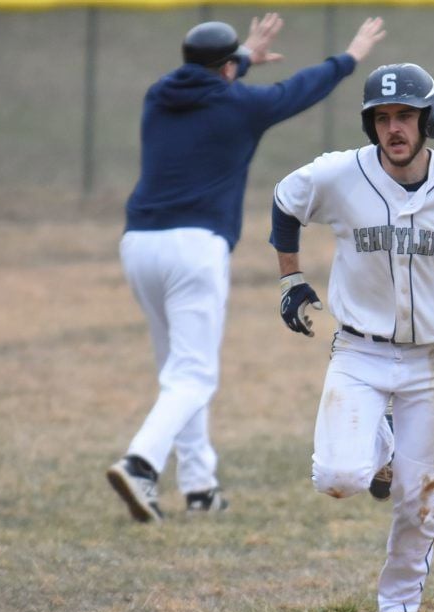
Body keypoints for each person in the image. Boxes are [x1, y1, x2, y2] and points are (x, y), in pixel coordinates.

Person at [269, 62, 434, 612]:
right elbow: (284, 202)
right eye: (382, 118)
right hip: (359, 352)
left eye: (404, 116)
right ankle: (379, 447)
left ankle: (401, 606)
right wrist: (290, 278)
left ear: (429, 120)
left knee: (417, 495)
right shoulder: (339, 175)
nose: (393, 129)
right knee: (337, 477)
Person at [106, 13, 387, 523]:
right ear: (227, 71)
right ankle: (141, 464)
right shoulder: (240, 106)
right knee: (193, 375)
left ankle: (199, 487)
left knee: (179, 372)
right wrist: (349, 58)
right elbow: (299, 89)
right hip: (194, 248)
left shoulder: (157, 96)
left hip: (139, 244)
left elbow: (208, 77)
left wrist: (242, 58)